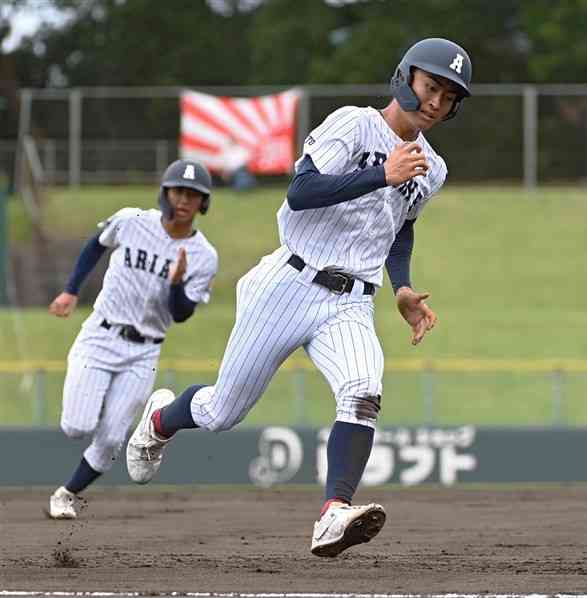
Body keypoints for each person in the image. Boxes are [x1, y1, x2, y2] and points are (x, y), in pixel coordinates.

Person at [126, 37, 472, 557]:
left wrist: (401, 286)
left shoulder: (433, 168)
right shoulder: (353, 124)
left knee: (363, 388)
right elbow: (301, 192)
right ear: (405, 78)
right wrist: (381, 172)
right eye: (431, 87)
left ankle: (333, 514)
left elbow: (400, 229)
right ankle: (158, 422)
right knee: (223, 411)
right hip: (289, 281)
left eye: (449, 97)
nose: (437, 103)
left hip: (352, 299)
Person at [46, 159, 219, 519]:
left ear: (203, 202)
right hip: (101, 334)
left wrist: (175, 284)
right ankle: (109, 414)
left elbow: (183, 314)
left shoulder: (204, 256)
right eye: (178, 191)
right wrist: (71, 291)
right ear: (165, 193)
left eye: (193, 194)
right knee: (75, 426)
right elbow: (95, 244)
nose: (184, 199)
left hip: (144, 350)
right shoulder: (132, 220)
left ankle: (66, 494)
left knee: (111, 439)